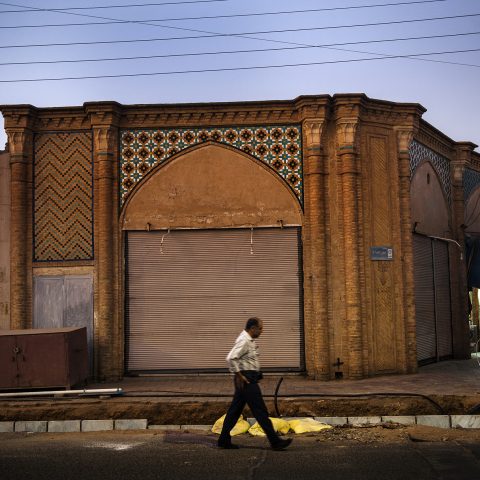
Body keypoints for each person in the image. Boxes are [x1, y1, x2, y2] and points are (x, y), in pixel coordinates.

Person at [218, 317, 293, 451]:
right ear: (253, 328)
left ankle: (223, 440)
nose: (262, 331)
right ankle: (275, 441)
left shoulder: (249, 340)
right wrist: (239, 375)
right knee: (260, 411)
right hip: (247, 380)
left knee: (234, 411)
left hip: (247, 379)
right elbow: (230, 357)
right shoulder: (244, 340)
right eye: (260, 328)